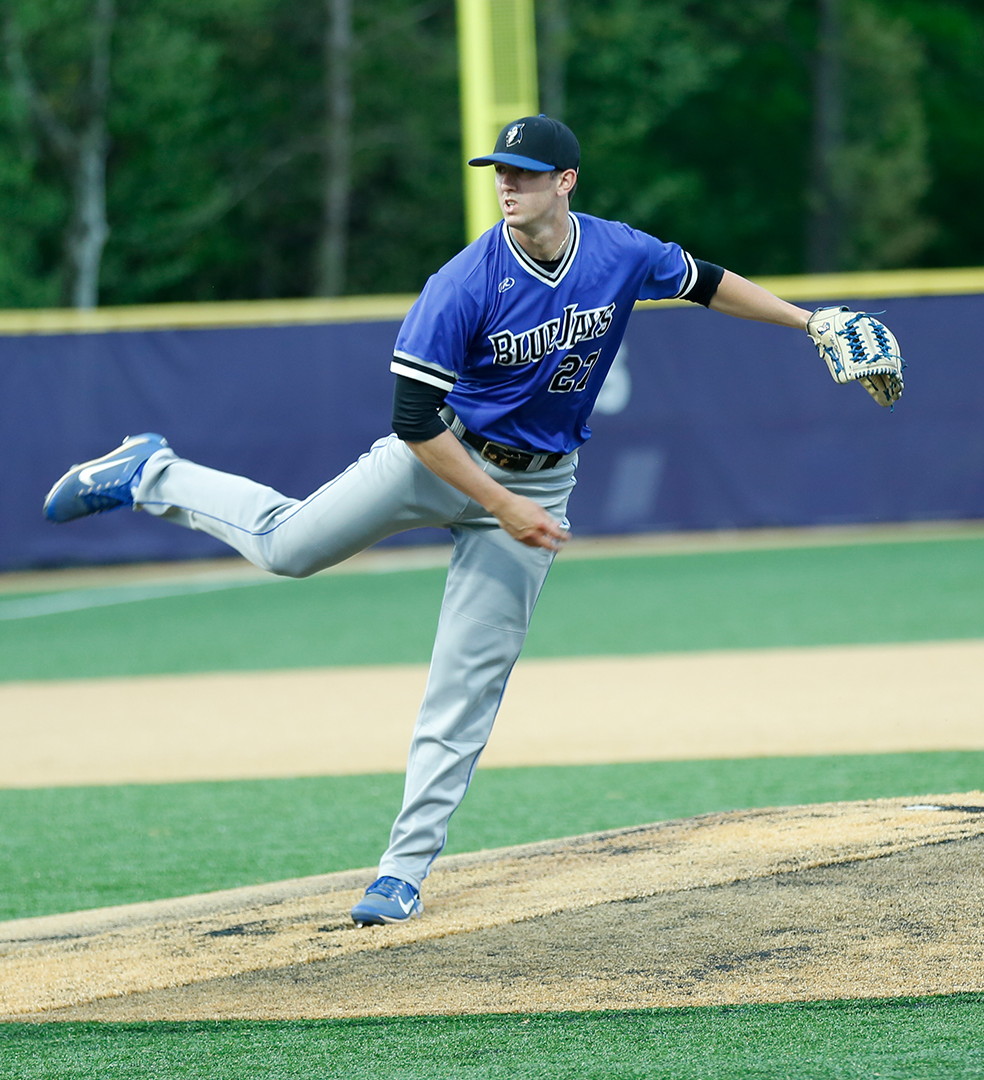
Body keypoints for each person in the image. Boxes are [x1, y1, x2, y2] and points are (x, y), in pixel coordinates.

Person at [43, 115, 819, 926]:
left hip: (538, 486)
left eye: (524, 172)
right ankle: (152, 471)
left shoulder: (617, 250)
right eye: (500, 172)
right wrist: (501, 504)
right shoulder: (465, 282)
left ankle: (401, 872)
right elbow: (416, 419)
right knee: (286, 546)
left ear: (566, 181)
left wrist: (810, 322)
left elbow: (704, 279)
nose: (507, 185)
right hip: (439, 461)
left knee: (468, 683)